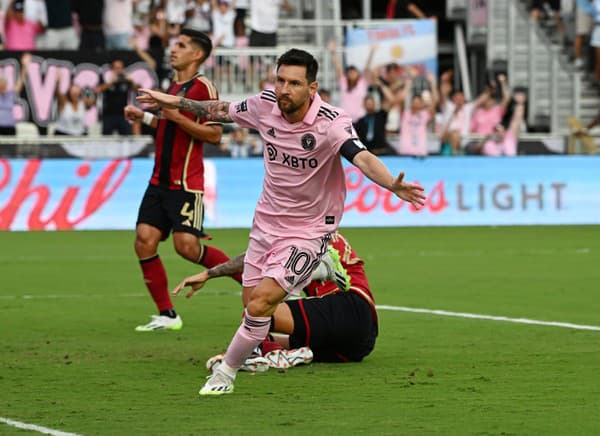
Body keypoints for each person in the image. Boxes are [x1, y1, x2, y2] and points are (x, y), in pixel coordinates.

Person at [136, 48, 426, 395]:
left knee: (262, 303)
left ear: (312, 88)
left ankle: (225, 374)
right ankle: (264, 344)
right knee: (251, 304)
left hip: (309, 230)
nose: (284, 89)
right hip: (266, 225)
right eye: (281, 80)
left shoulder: (331, 122)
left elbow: (360, 157)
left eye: (294, 83)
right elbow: (215, 110)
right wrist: (170, 101)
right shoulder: (264, 105)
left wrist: (391, 183)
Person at [124, 28, 242, 333]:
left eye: (181, 45)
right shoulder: (173, 86)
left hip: (185, 183)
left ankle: (251, 280)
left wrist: (174, 116)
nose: (173, 49)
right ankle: (167, 314)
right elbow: (170, 127)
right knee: (144, 241)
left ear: (197, 54)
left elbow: (214, 135)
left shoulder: (204, 88)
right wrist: (145, 118)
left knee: (187, 247)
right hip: (158, 181)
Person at [173, 231, 376, 370]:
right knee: (257, 332)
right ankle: (275, 352)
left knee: (255, 314)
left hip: (346, 305)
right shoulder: (321, 232)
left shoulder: (308, 234)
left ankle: (269, 354)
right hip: (359, 342)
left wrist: (209, 274)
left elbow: (254, 261)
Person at [328, 40, 376, 123]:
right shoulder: (344, 83)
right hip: (345, 120)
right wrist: (333, 53)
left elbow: (367, 67)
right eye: (350, 72)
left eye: (354, 71)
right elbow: (338, 68)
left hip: (361, 119)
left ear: (358, 73)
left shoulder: (362, 83)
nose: (352, 74)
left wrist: (371, 53)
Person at [95, 59, 139, 135]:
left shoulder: (126, 80)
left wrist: (131, 81)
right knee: (106, 139)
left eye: (120, 68)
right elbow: (98, 90)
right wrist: (111, 82)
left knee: (126, 138)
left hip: (123, 115)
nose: (118, 70)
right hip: (108, 115)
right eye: (116, 68)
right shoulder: (107, 79)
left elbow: (137, 89)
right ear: (112, 69)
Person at [476, 92, 527, 156]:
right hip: (493, 157)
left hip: (508, 157)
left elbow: (517, 119)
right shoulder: (489, 143)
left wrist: (520, 104)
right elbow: (481, 145)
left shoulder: (510, 135)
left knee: (510, 135)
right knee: (489, 145)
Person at [0, 53, 30, 136]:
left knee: (11, 148)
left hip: (10, 127)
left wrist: (25, 66)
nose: (2, 85)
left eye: (4, 83)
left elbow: (20, 81)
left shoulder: (10, 94)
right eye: (1, 83)